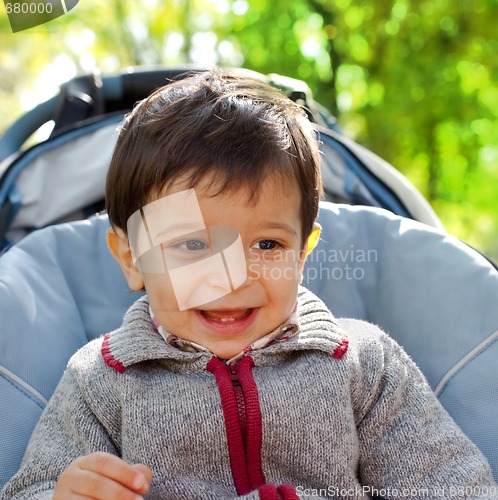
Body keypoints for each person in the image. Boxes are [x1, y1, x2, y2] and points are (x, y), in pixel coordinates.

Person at [2, 68, 496, 500]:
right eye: (193, 246)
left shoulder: (364, 366)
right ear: (132, 259)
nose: (231, 278)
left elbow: (447, 482)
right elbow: (32, 487)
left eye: (267, 246)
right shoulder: (100, 381)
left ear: (303, 253)